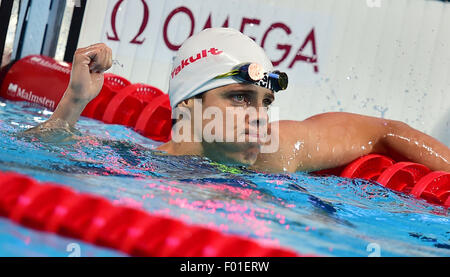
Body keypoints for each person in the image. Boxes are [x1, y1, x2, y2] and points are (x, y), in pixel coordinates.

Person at [24, 28, 450, 173]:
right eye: (241, 98)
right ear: (187, 109)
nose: (261, 118)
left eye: (265, 102)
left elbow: (385, 131)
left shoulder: (276, 154)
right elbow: (29, 159)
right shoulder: (136, 167)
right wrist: (72, 106)